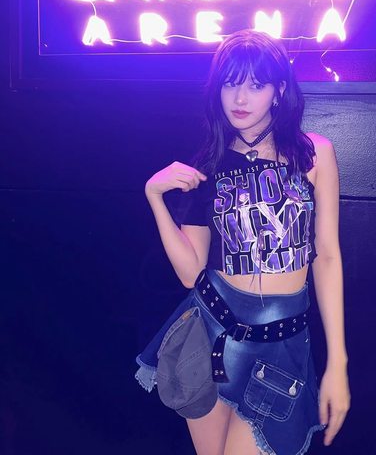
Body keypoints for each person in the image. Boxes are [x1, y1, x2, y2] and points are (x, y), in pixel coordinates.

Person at [136, 29, 350, 454]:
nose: (240, 97)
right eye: (231, 83)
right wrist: (154, 197)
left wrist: (338, 362)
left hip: (281, 343)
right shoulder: (208, 163)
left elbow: (326, 256)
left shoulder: (314, 154)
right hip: (211, 333)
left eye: (256, 84)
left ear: (279, 90)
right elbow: (190, 273)